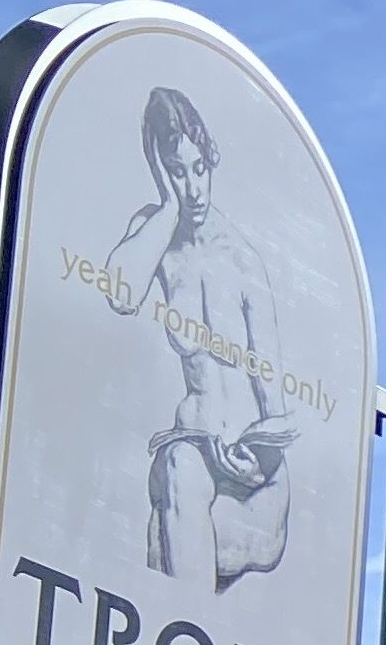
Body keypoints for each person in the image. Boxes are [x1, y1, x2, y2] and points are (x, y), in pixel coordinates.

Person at [102, 84, 295, 590]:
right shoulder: (157, 234)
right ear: (160, 169)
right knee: (177, 475)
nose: (194, 190)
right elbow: (120, 292)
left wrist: (261, 457)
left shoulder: (242, 260)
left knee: (176, 495)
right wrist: (166, 207)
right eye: (178, 172)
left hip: (252, 480)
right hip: (192, 460)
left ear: (211, 161)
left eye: (199, 169)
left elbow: (273, 395)